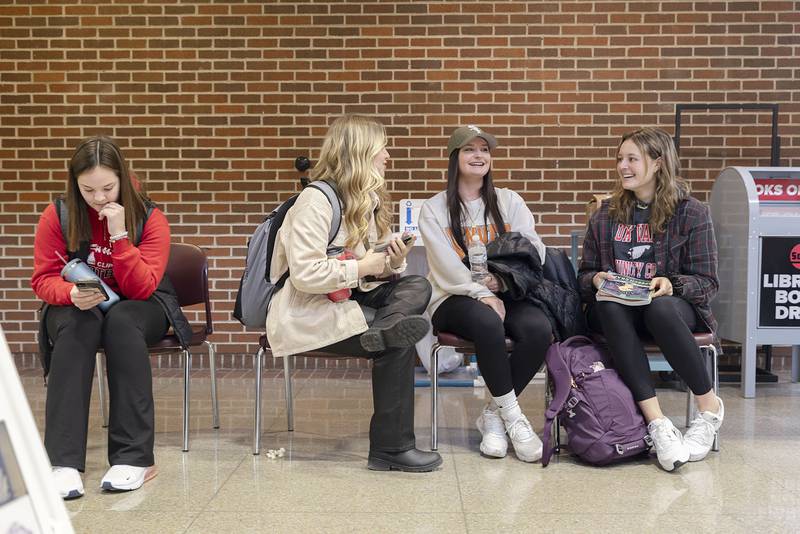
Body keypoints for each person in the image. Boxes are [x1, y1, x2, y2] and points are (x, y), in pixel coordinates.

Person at [266, 114, 442, 472]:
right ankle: (391, 450)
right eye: (383, 147)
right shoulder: (316, 201)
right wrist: (363, 267)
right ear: (360, 152)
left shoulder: (360, 199)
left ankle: (385, 330)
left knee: (417, 283)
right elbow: (306, 275)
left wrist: (392, 261)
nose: (388, 156)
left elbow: (365, 271)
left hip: (345, 299)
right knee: (399, 344)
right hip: (306, 312)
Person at [32, 136, 191, 499]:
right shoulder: (57, 215)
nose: (99, 198)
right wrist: (69, 294)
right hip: (76, 304)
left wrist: (120, 235)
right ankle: (63, 462)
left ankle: (133, 458)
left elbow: (142, 287)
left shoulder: (150, 218)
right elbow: (42, 279)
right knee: (76, 323)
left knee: (120, 319)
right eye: (88, 190)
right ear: (75, 184)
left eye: (107, 187)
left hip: (142, 305)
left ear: (122, 179)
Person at [578, 127, 724, 472]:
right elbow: (582, 277)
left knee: (659, 309)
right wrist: (596, 278)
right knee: (607, 303)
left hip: (668, 307)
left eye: (632, 159)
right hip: (618, 310)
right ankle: (657, 423)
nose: (622, 166)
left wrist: (671, 284)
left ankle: (709, 407)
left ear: (658, 163)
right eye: (620, 159)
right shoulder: (605, 214)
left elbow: (708, 283)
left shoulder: (691, 212)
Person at [419, 125, 552, 463]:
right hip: (451, 297)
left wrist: (500, 284)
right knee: (488, 321)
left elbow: (534, 249)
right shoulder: (434, 209)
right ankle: (514, 417)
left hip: (505, 293)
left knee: (539, 329)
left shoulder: (509, 201)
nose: (479, 156)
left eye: (484, 150)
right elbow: (445, 267)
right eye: (469, 150)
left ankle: (493, 415)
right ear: (455, 158)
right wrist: (481, 291)